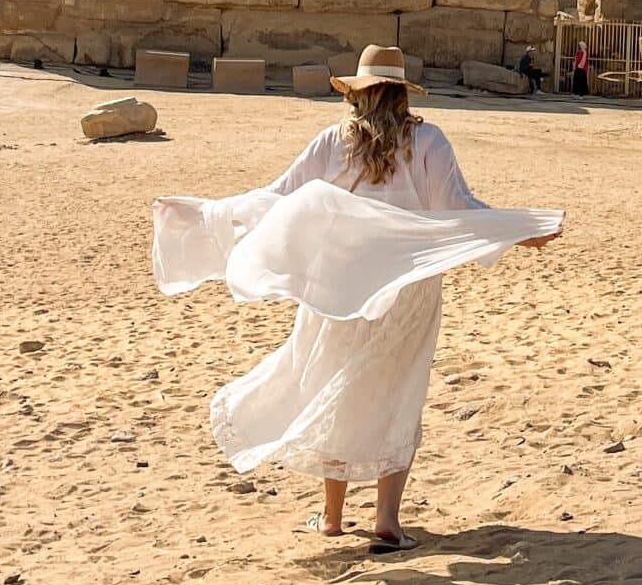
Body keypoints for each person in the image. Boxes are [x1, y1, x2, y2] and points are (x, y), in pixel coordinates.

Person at [159, 47, 559, 552]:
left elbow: (276, 198)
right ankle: (387, 523)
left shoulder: (332, 142)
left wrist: (205, 213)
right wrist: (522, 232)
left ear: (358, 92)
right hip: (407, 287)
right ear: (399, 93)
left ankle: (331, 516)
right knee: (399, 395)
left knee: (335, 387)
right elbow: (461, 208)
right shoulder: (429, 140)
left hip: (339, 286)